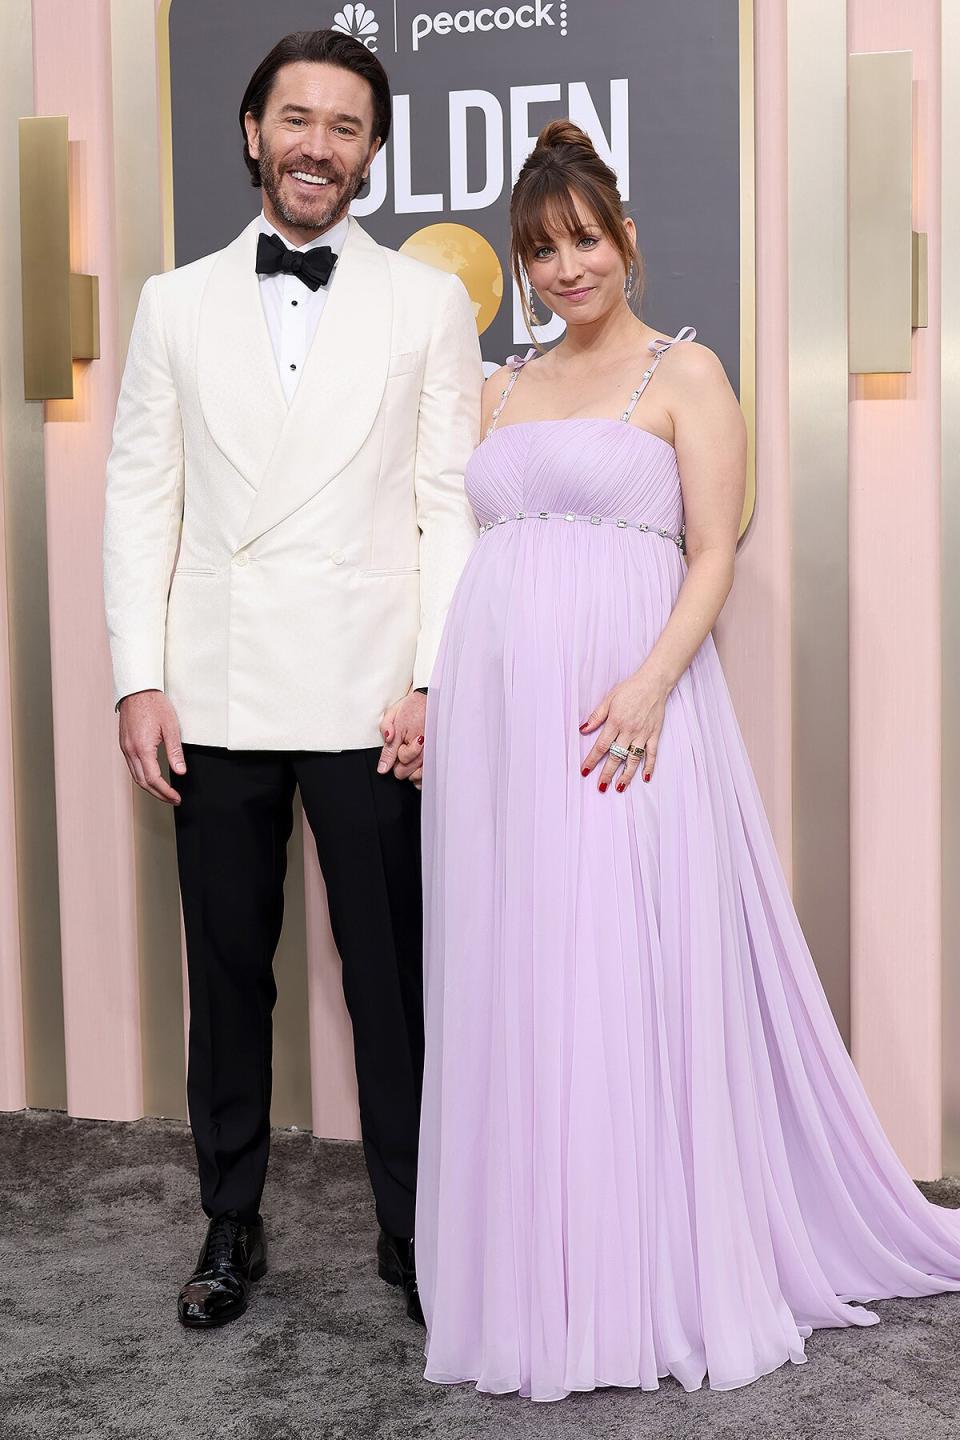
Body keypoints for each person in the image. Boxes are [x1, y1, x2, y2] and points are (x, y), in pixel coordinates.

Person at [415, 119, 960, 1399]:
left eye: (585, 241)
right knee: (527, 974)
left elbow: (714, 547)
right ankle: (535, 1271)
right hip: (502, 737)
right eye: (541, 250)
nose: (565, 269)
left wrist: (652, 684)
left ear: (628, 242)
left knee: (619, 972)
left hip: (627, 716)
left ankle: (635, 1271)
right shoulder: (497, 387)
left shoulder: (685, 372)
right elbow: (465, 550)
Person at [103, 29, 481, 1331]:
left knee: (392, 982)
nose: (321, 145)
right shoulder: (172, 302)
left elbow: (449, 511)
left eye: (348, 126)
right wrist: (135, 681)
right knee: (229, 977)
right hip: (216, 690)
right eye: (298, 119)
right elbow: (141, 501)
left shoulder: (429, 302)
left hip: (374, 695)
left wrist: (435, 680)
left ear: (373, 151)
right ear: (254, 129)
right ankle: (229, 1224)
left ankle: (415, 1225)